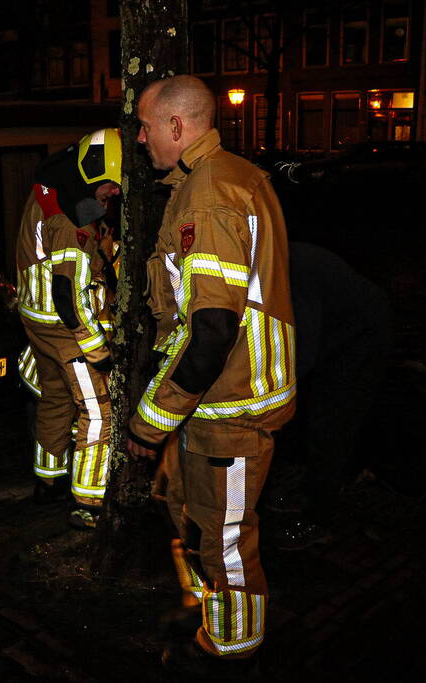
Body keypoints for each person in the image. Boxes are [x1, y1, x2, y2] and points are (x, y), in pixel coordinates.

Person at [126, 76, 295, 674]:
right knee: (194, 516)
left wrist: (150, 422)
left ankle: (232, 652)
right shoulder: (220, 178)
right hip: (211, 402)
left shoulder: (208, 195)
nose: (140, 138)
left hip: (229, 403)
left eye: (146, 126)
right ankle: (210, 617)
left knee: (225, 538)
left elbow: (212, 330)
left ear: (176, 126)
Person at [15, 129, 121, 529]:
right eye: (112, 184)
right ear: (95, 172)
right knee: (99, 411)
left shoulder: (50, 189)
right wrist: (99, 352)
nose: (115, 193)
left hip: (36, 319)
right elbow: (69, 296)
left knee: (55, 399)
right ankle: (88, 503)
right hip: (65, 330)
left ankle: (48, 480)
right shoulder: (69, 218)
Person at [270, 242, 391, 549]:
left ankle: (320, 519)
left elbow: (303, 351)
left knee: (331, 426)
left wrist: (270, 397)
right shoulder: (275, 259)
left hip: (361, 338)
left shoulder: (291, 271)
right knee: (316, 418)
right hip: (334, 333)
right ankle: (309, 490)